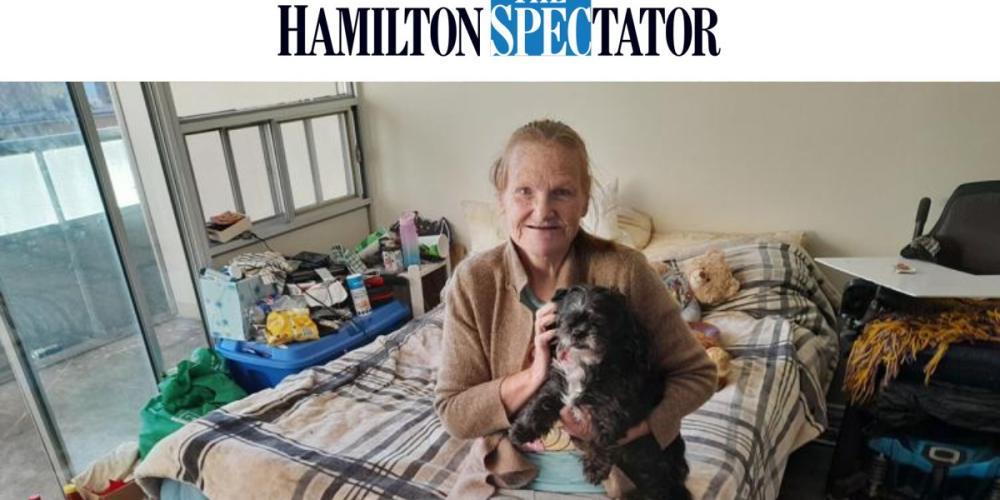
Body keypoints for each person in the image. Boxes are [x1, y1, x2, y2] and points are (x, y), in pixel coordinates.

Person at [434, 119, 717, 500]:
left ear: (585, 201)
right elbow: (454, 411)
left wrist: (629, 429)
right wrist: (534, 376)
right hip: (506, 478)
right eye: (524, 192)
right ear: (500, 199)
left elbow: (698, 374)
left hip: (619, 479)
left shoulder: (625, 271)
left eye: (562, 192)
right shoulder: (474, 280)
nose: (542, 210)